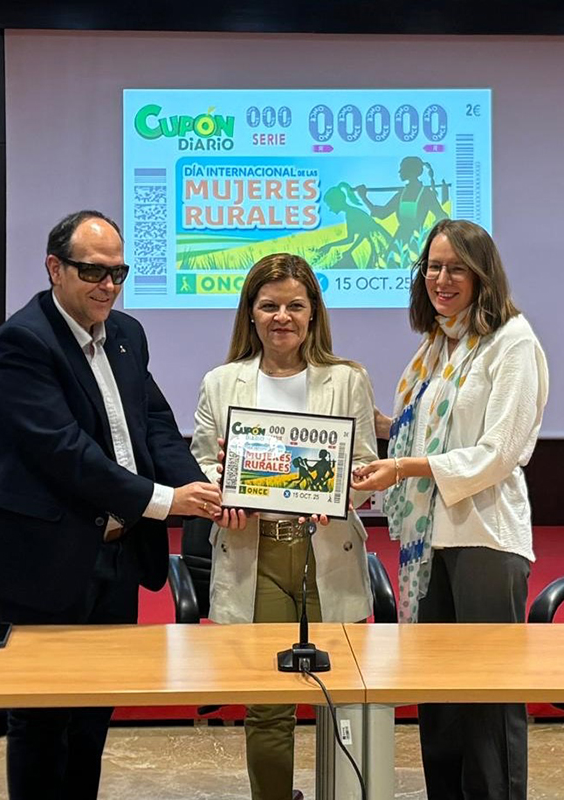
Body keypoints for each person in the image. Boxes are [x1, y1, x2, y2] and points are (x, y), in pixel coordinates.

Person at [0, 210, 223, 800]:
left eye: (118, 273)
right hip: (44, 560)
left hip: (115, 557)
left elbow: (155, 424)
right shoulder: (23, 342)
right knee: (41, 717)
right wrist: (164, 501)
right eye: (93, 272)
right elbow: (66, 454)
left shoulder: (128, 333)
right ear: (55, 268)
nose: (108, 286)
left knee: (91, 718)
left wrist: (204, 489)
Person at [352, 219, 549, 800]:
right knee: (437, 696)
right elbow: (425, 431)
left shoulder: (512, 341)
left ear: (482, 274)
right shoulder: (439, 344)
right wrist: (375, 424)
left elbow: (497, 452)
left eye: (455, 267)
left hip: (485, 534)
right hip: (428, 540)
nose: (441, 278)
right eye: (432, 267)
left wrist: (405, 467)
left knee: (488, 698)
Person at [190, 253, 378, 800]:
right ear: (250, 313)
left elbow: (366, 468)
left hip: (328, 552)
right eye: (269, 305)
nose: (282, 317)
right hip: (257, 554)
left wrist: (344, 491)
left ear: (314, 313)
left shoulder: (348, 380)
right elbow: (204, 466)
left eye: (296, 305)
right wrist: (223, 492)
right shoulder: (220, 382)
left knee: (342, 700)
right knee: (268, 702)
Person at [355, 156, 448, 268]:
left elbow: (442, 216)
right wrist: (364, 197)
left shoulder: (426, 194)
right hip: (400, 238)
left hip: (416, 241)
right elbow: (382, 214)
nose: (399, 172)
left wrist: (429, 236)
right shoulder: (402, 194)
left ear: (410, 171)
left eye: (402, 168)